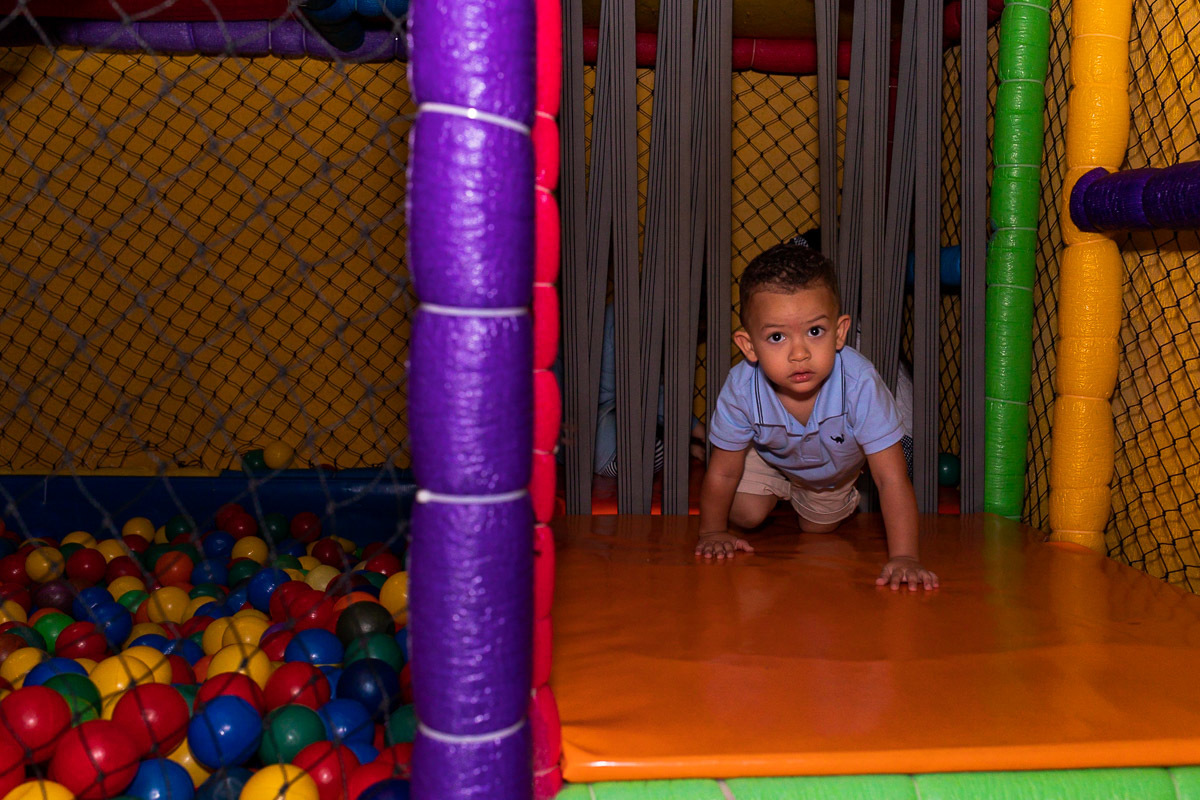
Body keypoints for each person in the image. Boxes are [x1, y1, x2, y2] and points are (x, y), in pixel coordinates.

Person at [695, 241, 938, 591]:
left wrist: (905, 557)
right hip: (768, 457)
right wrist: (711, 532)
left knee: (816, 529)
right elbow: (722, 470)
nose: (799, 353)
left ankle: (814, 498)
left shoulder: (859, 384)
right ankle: (773, 488)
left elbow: (890, 479)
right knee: (744, 514)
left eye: (814, 331)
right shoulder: (741, 388)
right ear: (749, 346)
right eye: (777, 337)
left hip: (831, 475)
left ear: (839, 333)